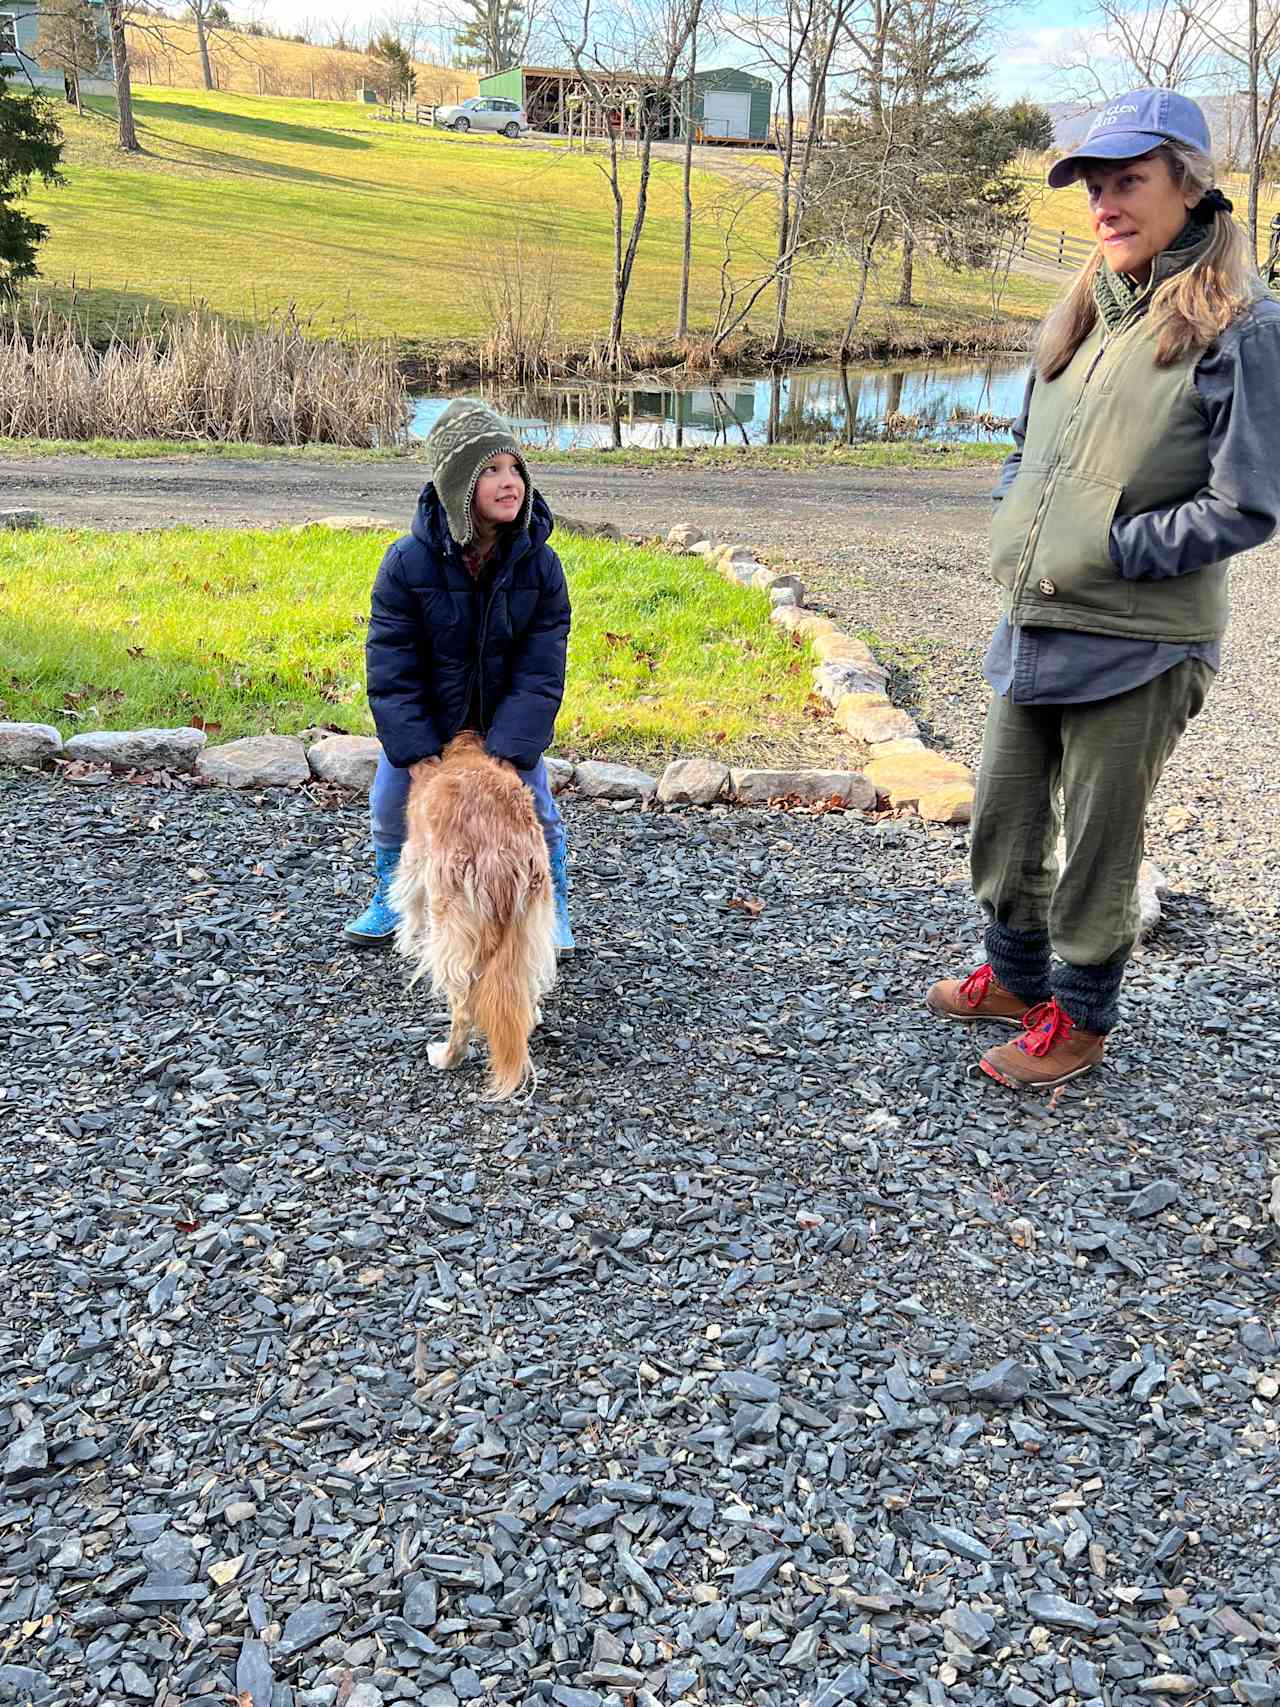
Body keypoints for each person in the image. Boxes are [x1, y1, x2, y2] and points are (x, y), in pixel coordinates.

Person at [926, 88, 1280, 1089]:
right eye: (1092, 185)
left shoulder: (1240, 330)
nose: (1103, 204)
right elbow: (1019, 453)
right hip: (1034, 615)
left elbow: (1246, 504)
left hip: (1141, 635)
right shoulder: (1079, 313)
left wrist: (1109, 547)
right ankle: (1011, 977)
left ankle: (1078, 1021)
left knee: (1098, 842)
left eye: (1126, 181)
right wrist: (1017, 522)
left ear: (1188, 186)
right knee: (1000, 816)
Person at [344, 399, 575, 955]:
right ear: (456, 485)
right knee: (389, 800)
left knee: (536, 804)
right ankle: (391, 888)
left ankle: (554, 895)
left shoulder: (540, 567)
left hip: (501, 722)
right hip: (431, 719)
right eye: (490, 470)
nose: (509, 482)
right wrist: (415, 748)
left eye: (515, 467)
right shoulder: (406, 564)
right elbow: (391, 666)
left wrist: (511, 748)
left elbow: (541, 668)